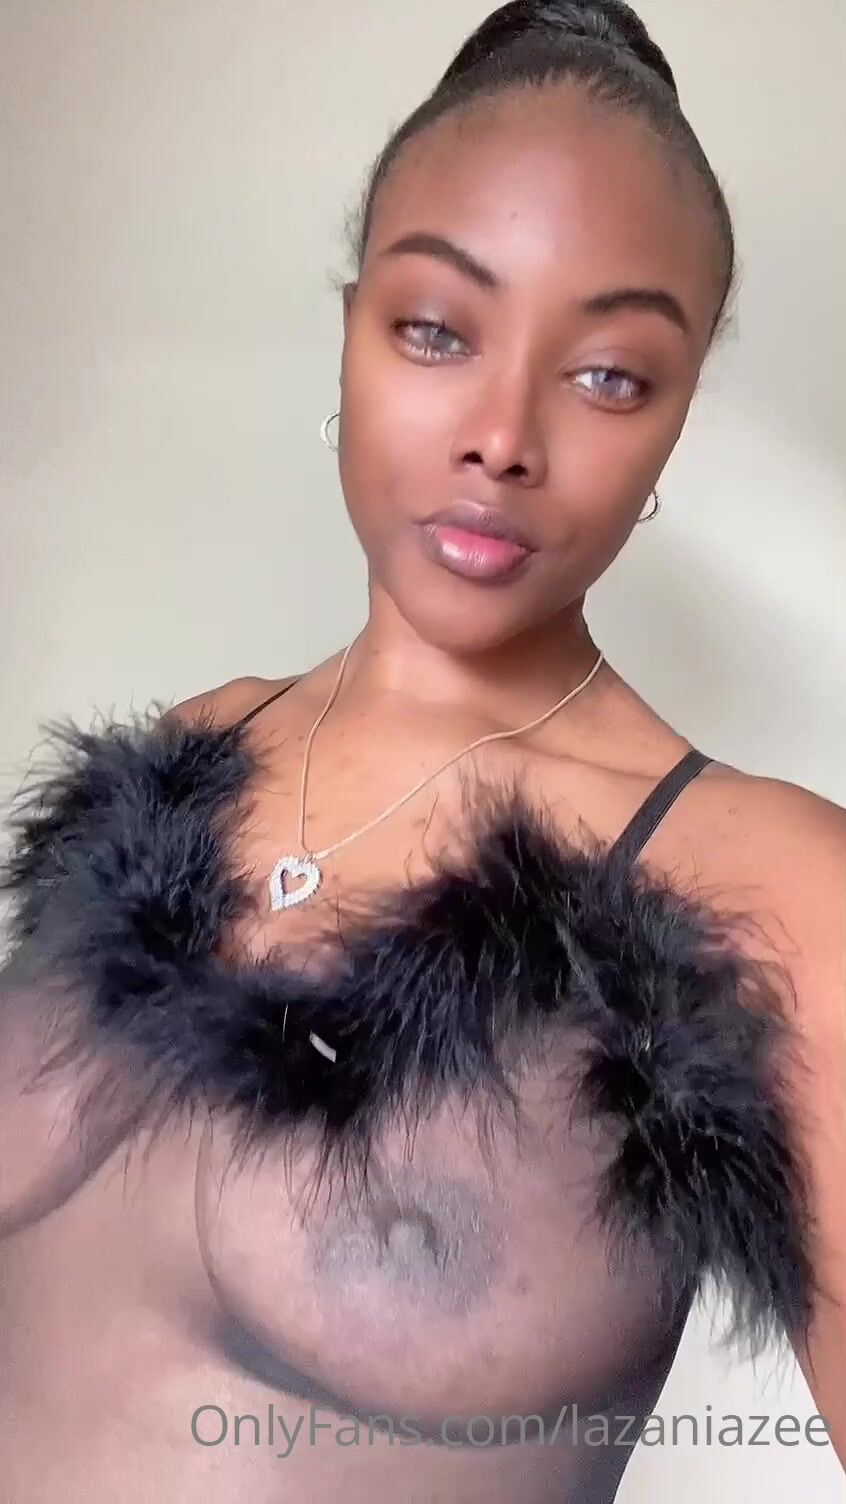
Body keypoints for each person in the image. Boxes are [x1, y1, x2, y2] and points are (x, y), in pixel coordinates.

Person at [0, 2, 843, 1499]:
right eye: (438, 329)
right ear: (351, 329)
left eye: (609, 374)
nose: (501, 436)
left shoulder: (767, 889)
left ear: (674, 420)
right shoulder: (186, 758)